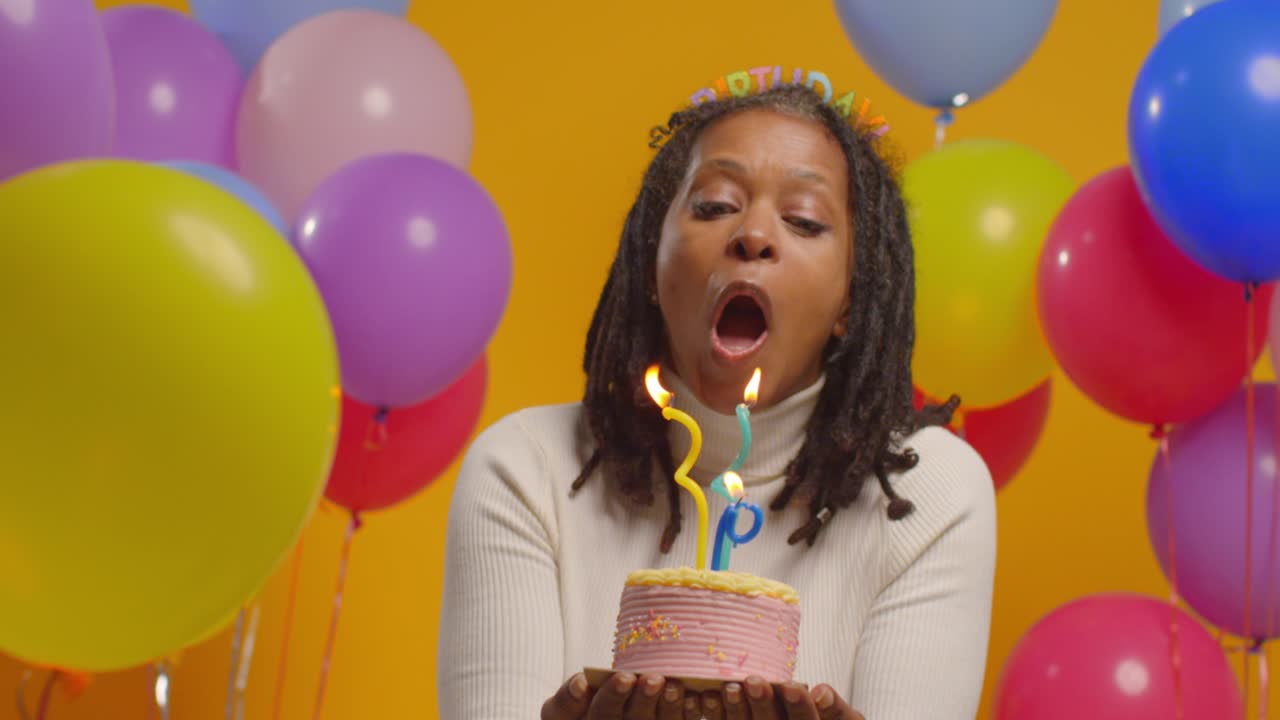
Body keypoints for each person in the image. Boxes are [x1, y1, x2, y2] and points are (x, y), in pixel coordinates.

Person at [437, 80, 997, 720]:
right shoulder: (526, 469)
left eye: (805, 221)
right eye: (714, 205)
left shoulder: (931, 496)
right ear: (651, 262)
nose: (754, 234)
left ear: (851, 301)